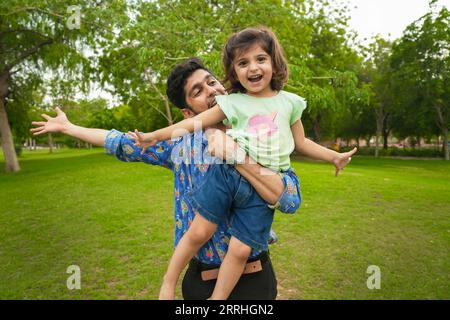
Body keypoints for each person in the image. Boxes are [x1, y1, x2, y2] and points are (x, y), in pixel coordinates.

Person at [30, 58, 306, 300]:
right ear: (187, 112)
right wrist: (69, 127)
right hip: (201, 282)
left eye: (211, 82)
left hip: (254, 278)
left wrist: (239, 158)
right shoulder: (179, 145)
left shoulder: (261, 131)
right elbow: (120, 141)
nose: (211, 90)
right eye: (197, 91)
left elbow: (290, 200)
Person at [129, 27, 357, 300]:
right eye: (242, 63)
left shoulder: (290, 103)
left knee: (240, 250)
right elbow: (193, 123)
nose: (253, 68)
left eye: (260, 59)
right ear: (234, 72)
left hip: (261, 188)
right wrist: (154, 136)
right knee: (199, 230)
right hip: (226, 176)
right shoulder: (232, 102)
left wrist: (333, 156)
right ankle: (167, 283)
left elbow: (301, 143)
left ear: (274, 62)